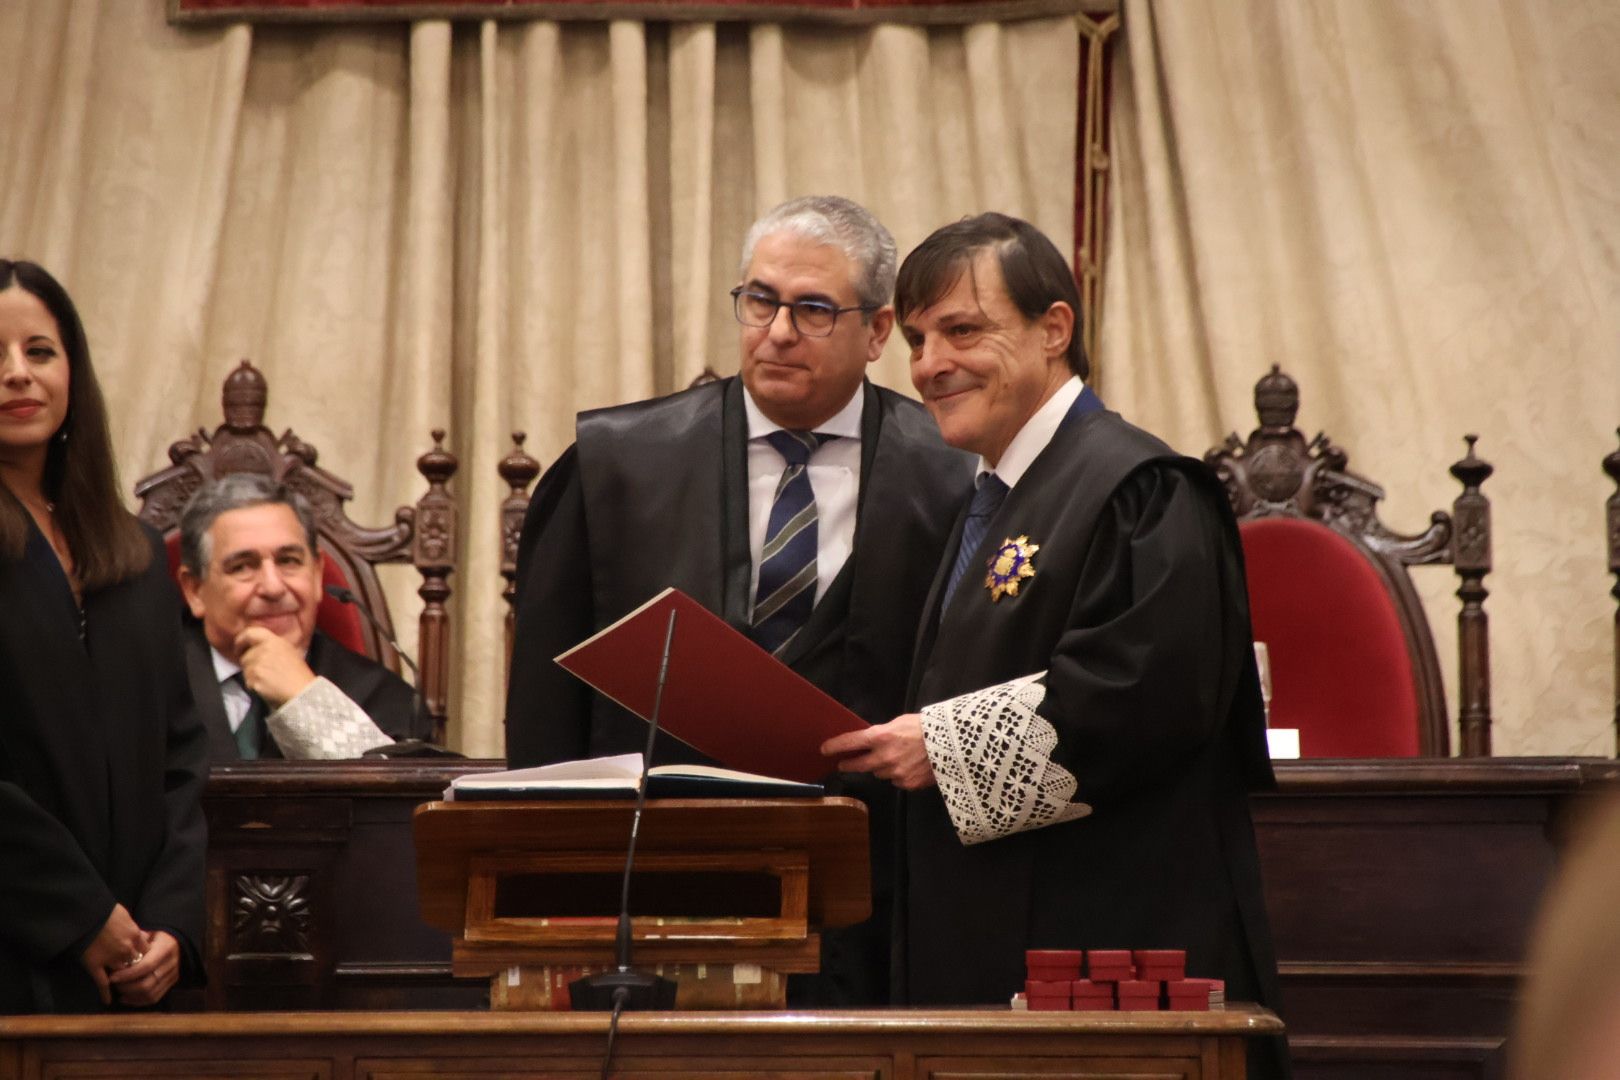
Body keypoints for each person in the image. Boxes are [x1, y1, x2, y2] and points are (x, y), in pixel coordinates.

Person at [823, 214, 1288, 1078]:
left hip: (1105, 975)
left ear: (1054, 328)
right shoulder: (992, 499)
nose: (929, 365)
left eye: (963, 331)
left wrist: (941, 743)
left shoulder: (1141, 488)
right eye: (919, 340)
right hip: (989, 955)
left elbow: (1146, 697)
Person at [505, 195, 973, 1004]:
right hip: (657, 885)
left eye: (814, 309)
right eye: (760, 300)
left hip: (884, 890)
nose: (779, 330)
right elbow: (547, 710)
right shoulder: (615, 464)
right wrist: (551, 895)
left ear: (879, 331)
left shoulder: (957, 472)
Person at [0, 259, 207, 1012]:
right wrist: (81, 918)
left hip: (145, 970)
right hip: (19, 954)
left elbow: (182, 756)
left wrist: (172, 927)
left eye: (39, 351)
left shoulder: (136, 552)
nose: (18, 375)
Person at [176, 474, 424, 761]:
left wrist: (303, 700)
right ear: (195, 590)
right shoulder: (149, 684)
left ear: (317, 574)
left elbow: (394, 800)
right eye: (243, 566)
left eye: (288, 561)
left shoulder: (382, 694)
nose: (273, 587)